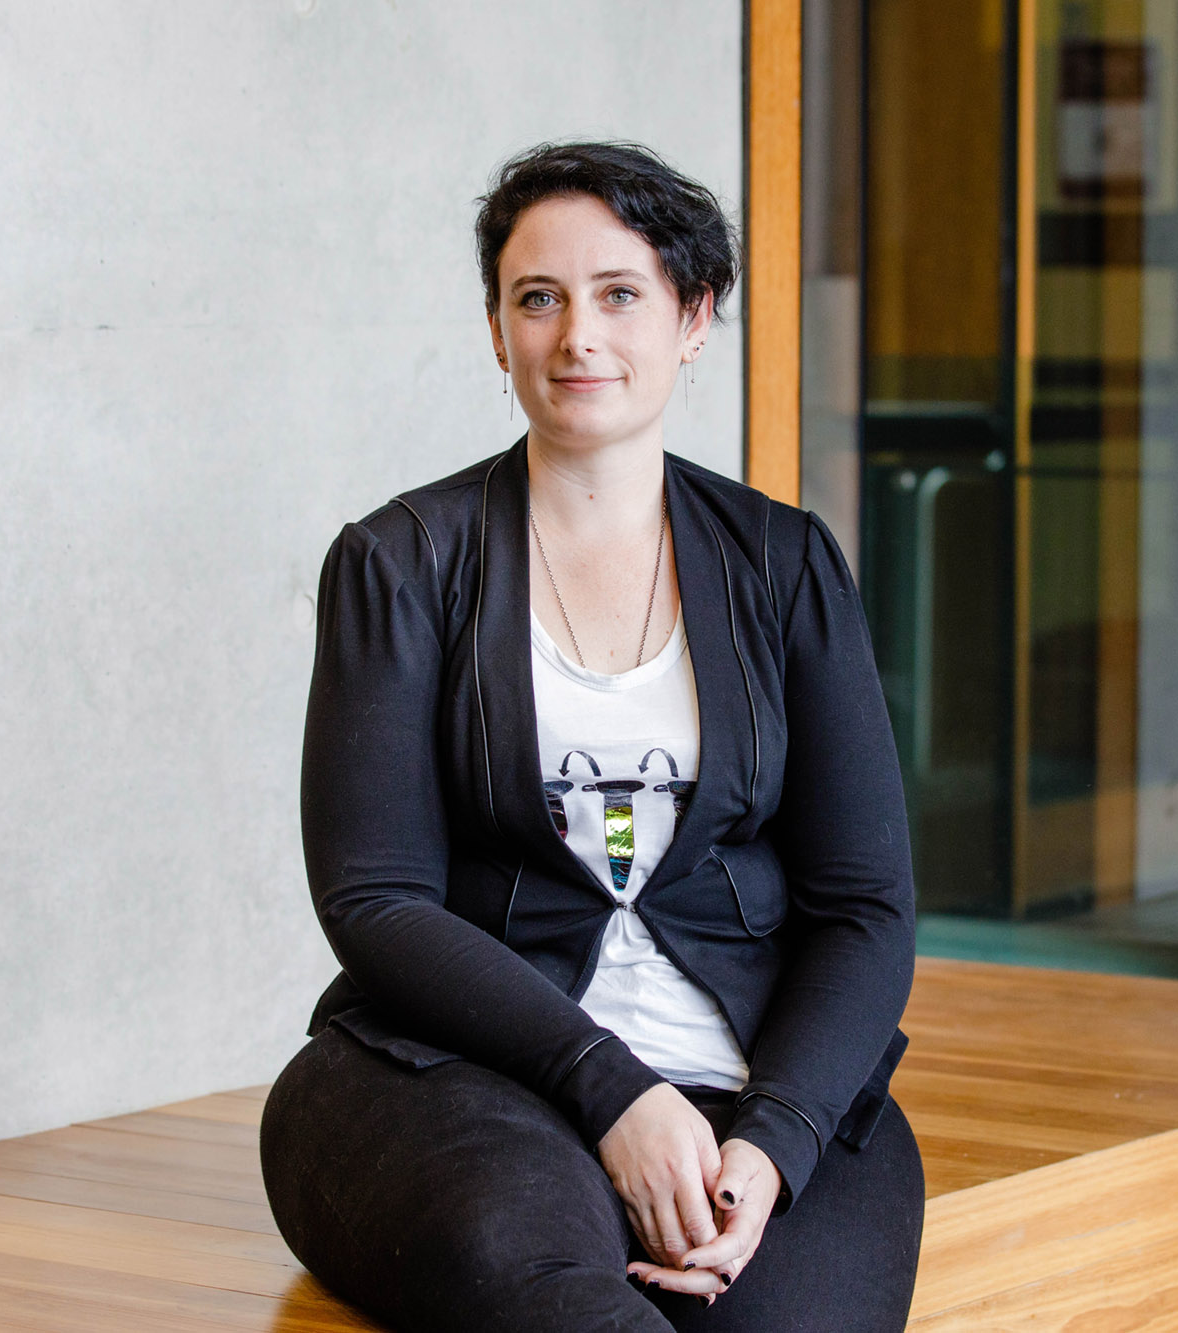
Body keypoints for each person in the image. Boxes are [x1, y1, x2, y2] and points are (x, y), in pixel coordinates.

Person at [259, 140, 923, 1332]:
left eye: (619, 294)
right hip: (459, 1079)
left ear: (692, 316)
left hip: (752, 1084)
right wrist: (610, 1089)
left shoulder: (786, 565)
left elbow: (864, 901)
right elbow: (374, 895)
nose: (577, 337)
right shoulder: (399, 564)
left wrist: (771, 1140)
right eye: (538, 298)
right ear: (496, 326)